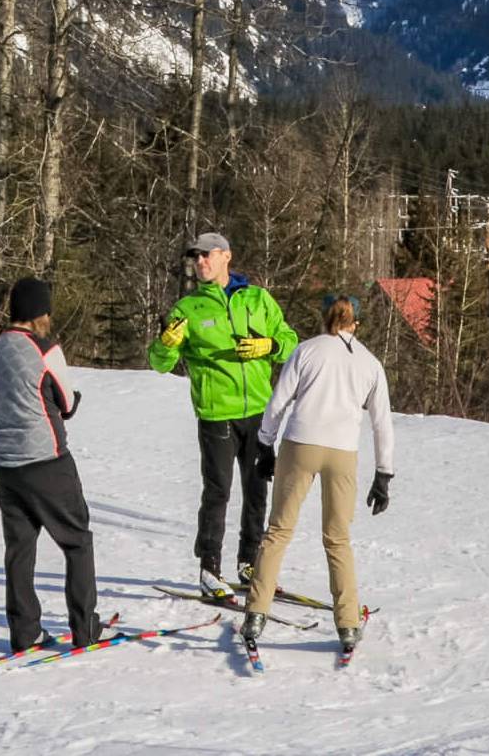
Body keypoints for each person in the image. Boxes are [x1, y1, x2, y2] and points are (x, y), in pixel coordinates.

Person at [242, 293, 394, 654]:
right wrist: (384, 474)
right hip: (342, 452)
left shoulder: (306, 351)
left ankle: (255, 614)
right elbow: (382, 423)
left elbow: (278, 401)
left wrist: (265, 445)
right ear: (356, 322)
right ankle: (347, 624)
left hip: (300, 445)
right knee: (337, 538)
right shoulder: (370, 363)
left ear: (324, 318)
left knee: (278, 531)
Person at [147, 231, 297, 588]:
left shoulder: (258, 299)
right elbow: (158, 362)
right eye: (195, 258)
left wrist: (267, 345)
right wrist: (166, 343)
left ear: (226, 257)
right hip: (216, 414)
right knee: (218, 491)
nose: (200, 263)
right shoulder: (189, 308)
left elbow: (291, 344)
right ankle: (209, 568)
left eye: (206, 256)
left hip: (259, 412)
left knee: (257, 490)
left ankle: (249, 563)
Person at [0, 276, 101, 653]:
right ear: (39, 313)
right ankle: (85, 629)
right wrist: (70, 400)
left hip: (6, 463)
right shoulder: (45, 348)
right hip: (46, 460)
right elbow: (65, 403)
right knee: (77, 540)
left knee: (20, 548)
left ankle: (25, 631)